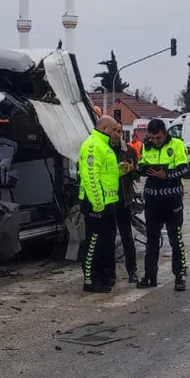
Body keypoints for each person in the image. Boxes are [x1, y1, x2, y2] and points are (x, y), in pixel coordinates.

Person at [137, 119, 190, 291]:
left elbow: (185, 169)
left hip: (172, 200)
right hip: (152, 200)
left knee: (176, 240)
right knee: (151, 240)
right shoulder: (146, 146)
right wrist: (139, 169)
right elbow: (141, 166)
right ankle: (150, 276)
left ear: (165, 133)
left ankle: (180, 276)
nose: (155, 141)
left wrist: (165, 175)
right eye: (152, 138)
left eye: (158, 138)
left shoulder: (177, 144)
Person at [78, 117, 121, 293]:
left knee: (106, 242)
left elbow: (105, 173)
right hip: (96, 204)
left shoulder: (104, 145)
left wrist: (120, 170)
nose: (115, 133)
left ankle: (103, 276)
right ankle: (90, 280)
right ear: (104, 128)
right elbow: (90, 177)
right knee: (93, 242)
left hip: (108, 202)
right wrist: (97, 204)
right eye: (113, 129)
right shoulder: (93, 145)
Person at [111, 122, 140, 284]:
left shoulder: (129, 150)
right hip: (108, 200)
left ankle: (132, 271)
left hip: (124, 200)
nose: (117, 134)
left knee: (127, 237)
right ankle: (110, 274)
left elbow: (137, 174)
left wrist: (132, 169)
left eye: (119, 131)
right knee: (108, 238)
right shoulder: (104, 149)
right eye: (114, 130)